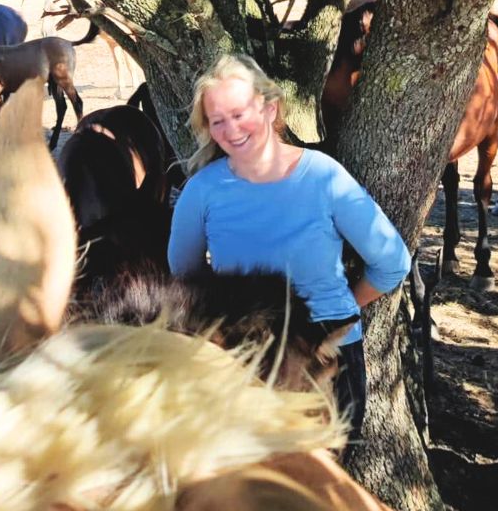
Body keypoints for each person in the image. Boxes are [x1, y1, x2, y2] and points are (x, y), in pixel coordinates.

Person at [167, 54, 411, 450]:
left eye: (239, 113)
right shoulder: (202, 191)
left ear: (270, 107)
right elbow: (185, 273)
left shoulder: (323, 175)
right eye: (217, 121)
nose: (230, 129)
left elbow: (392, 261)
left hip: (326, 360)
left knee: (321, 489)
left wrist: (343, 310)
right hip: (240, 363)